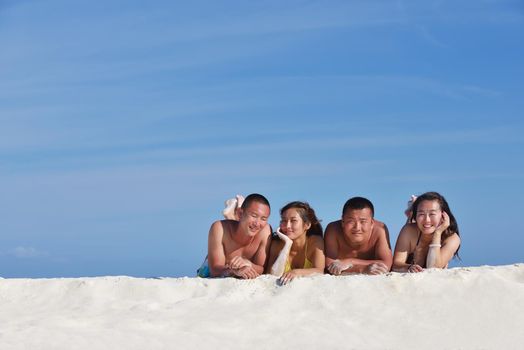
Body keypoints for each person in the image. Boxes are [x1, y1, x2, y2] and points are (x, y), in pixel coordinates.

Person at [198, 193, 272, 279]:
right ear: (240, 213)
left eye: (263, 219)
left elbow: (262, 269)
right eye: (254, 216)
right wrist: (234, 271)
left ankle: (232, 213)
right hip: (210, 271)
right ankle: (232, 214)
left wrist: (249, 264)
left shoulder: (265, 231)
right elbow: (214, 270)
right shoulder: (219, 229)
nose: (257, 223)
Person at [392, 192, 461, 273]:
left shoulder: (452, 238)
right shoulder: (409, 230)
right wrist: (409, 268)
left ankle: (413, 208)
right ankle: (412, 211)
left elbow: (433, 268)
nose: (427, 220)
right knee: (414, 223)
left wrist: (438, 233)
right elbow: (395, 265)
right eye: (421, 214)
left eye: (432, 214)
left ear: (443, 215)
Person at [325, 197, 392, 275]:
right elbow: (329, 265)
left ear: (372, 223)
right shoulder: (333, 229)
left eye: (363, 221)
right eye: (351, 221)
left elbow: (386, 264)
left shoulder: (380, 230)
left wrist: (350, 262)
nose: (357, 228)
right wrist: (362, 269)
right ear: (343, 221)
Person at [265, 201, 325, 285]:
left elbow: (319, 271)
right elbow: (272, 275)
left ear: (307, 225)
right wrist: (287, 245)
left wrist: (296, 272)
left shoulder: (315, 242)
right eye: (284, 221)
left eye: (293, 220)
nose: (287, 226)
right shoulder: (277, 244)